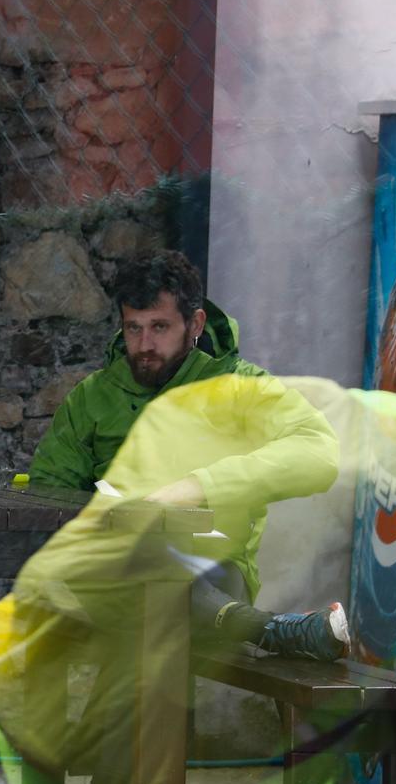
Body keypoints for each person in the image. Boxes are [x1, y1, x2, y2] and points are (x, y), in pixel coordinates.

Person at [27, 250, 347, 660]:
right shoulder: (91, 398)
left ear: (194, 324)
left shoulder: (240, 387)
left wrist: (198, 486)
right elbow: (47, 492)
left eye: (160, 327)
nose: (144, 345)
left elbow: (319, 452)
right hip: (107, 565)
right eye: (133, 328)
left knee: (145, 587)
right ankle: (266, 629)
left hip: (211, 572)